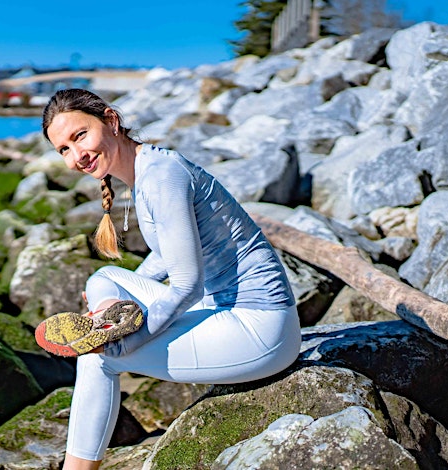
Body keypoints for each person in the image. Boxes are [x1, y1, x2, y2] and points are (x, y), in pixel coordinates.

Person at [37, 88, 301, 470]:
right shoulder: (149, 170)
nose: (76, 156)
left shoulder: (161, 177)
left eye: (80, 136)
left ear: (111, 122)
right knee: (105, 278)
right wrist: (119, 296)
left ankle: (112, 333)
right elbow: (167, 254)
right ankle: (109, 320)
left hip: (260, 330)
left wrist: (130, 345)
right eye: (63, 149)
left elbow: (187, 285)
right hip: (234, 314)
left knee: (99, 361)